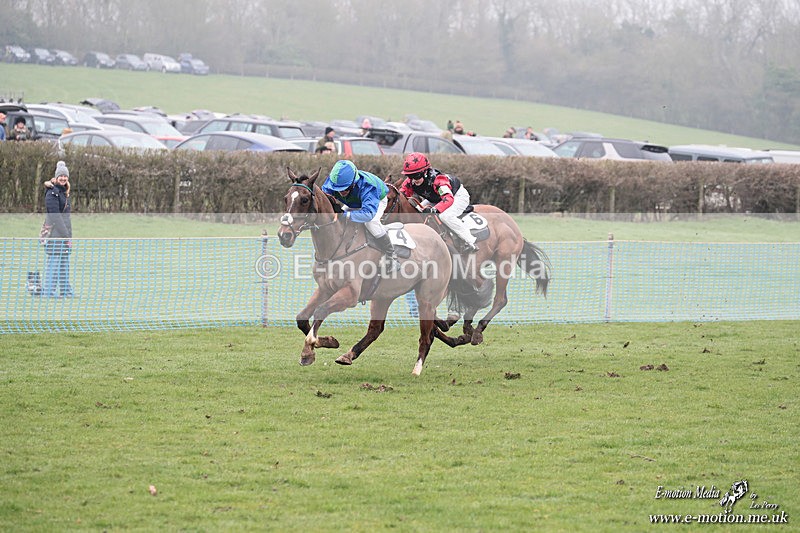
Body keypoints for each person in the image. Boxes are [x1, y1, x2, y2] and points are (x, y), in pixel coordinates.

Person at [321, 160, 400, 271]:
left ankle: (392, 257)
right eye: (338, 189)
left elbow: (368, 214)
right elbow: (324, 199)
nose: (341, 192)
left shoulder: (368, 187)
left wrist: (345, 214)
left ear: (354, 182)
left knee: (371, 223)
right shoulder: (332, 182)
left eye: (345, 188)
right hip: (354, 201)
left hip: (377, 200)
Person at [398, 152, 478, 253]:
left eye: (416, 175)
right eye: (410, 176)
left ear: (425, 172)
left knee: (445, 216)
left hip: (456, 196)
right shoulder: (411, 181)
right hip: (435, 198)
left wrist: (434, 209)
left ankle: (470, 241)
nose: (414, 180)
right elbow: (401, 195)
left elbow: (448, 198)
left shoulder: (438, 180)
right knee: (417, 211)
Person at [42, 161, 74, 298]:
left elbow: (66, 218)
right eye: (61, 176)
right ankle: (48, 292)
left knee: (64, 264)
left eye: (65, 176)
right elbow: (55, 217)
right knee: (54, 264)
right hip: (55, 235)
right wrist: (66, 235)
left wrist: (69, 236)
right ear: (56, 177)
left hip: (65, 234)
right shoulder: (52, 193)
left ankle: (66, 291)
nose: (63, 178)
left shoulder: (64, 192)